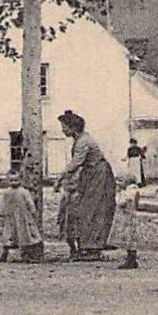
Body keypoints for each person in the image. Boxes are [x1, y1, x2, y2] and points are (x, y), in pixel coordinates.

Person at [56, 110, 116, 262]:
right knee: (87, 209)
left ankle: (94, 248)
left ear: (73, 128)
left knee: (94, 209)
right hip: (91, 175)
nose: (62, 130)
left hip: (99, 175)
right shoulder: (81, 139)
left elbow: (76, 163)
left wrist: (60, 178)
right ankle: (89, 245)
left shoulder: (83, 142)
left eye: (64, 127)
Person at [0, 169, 45, 263]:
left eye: (16, 180)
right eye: (11, 180)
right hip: (10, 218)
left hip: (23, 218)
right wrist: (1, 214)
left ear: (20, 180)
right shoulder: (6, 192)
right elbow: (3, 204)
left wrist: (33, 212)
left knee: (25, 236)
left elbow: (30, 202)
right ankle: (4, 254)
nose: (14, 182)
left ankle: (27, 255)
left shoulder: (24, 192)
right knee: (9, 236)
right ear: (8, 181)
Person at [111, 178, 142, 270]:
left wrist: (118, 193)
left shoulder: (127, 192)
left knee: (128, 239)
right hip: (132, 219)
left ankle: (131, 260)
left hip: (126, 220)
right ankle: (132, 258)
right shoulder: (134, 191)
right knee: (132, 239)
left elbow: (120, 203)